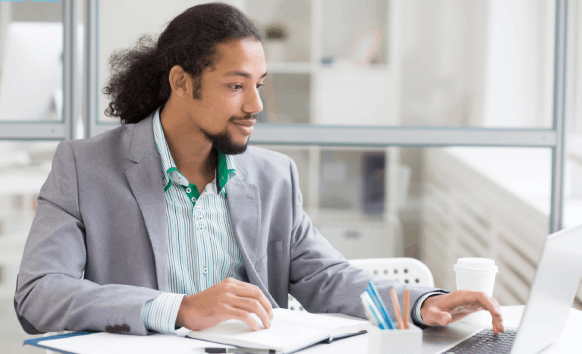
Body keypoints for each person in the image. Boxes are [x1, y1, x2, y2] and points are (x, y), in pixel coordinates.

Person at [14, 3, 504, 336]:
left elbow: (327, 277)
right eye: (235, 86)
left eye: (259, 84)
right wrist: (179, 309)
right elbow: (38, 295)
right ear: (182, 82)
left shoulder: (273, 177)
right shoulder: (85, 166)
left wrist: (423, 303)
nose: (256, 104)